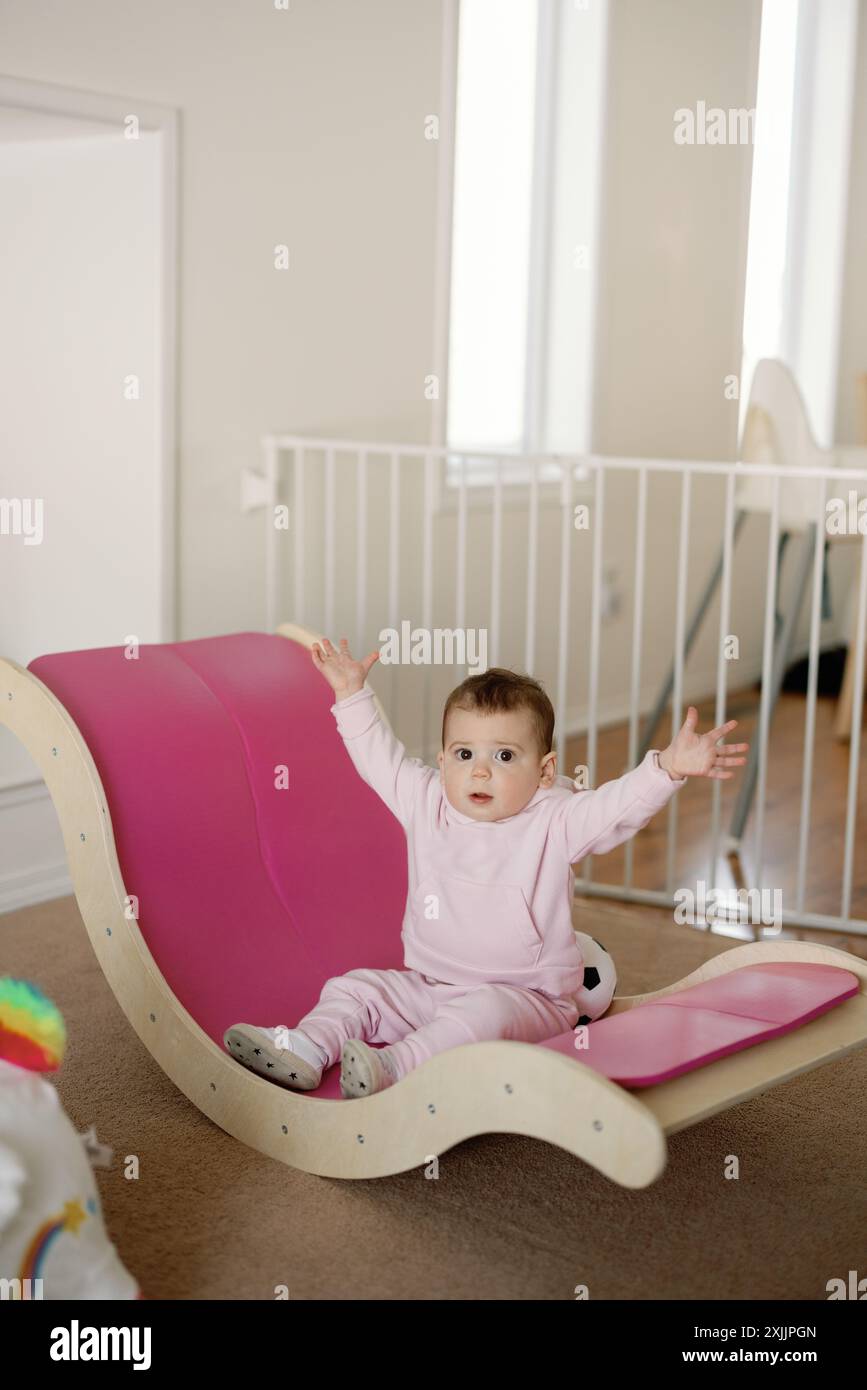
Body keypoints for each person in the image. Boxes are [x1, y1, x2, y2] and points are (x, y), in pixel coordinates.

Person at [224, 637, 747, 1100]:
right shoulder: (426, 800)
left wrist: (668, 768)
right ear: (444, 758)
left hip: (526, 1000)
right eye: (464, 752)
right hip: (430, 985)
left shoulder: (555, 820)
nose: (478, 769)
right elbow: (377, 757)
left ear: (543, 771)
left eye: (503, 757)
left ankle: (397, 1066)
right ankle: (305, 1048)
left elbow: (616, 808)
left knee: (483, 1016)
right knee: (354, 988)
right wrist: (350, 694)